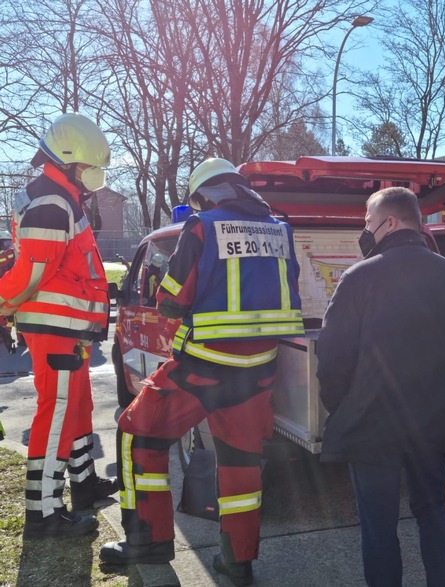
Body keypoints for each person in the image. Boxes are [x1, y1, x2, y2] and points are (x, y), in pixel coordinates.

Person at [100, 158, 304, 587]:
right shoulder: (279, 229)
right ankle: (238, 562)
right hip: (259, 372)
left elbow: (172, 300)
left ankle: (148, 542)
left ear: (202, 194)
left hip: (204, 367)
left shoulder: (202, 226)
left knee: (137, 433)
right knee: (242, 464)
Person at [317, 186, 445, 587]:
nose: (366, 230)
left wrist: (343, 407)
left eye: (368, 221)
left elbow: (332, 358)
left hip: (371, 426)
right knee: (433, 512)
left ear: (390, 222)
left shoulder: (359, 277)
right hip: (432, 427)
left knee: (378, 527)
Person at [0, 112, 117, 537]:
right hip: (56, 328)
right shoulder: (52, 203)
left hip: (68, 328)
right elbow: (31, 273)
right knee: (57, 412)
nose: (93, 176)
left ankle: (83, 484)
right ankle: (43, 513)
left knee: (79, 404)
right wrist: (2, 303)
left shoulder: (62, 199)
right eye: (88, 168)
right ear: (68, 162)